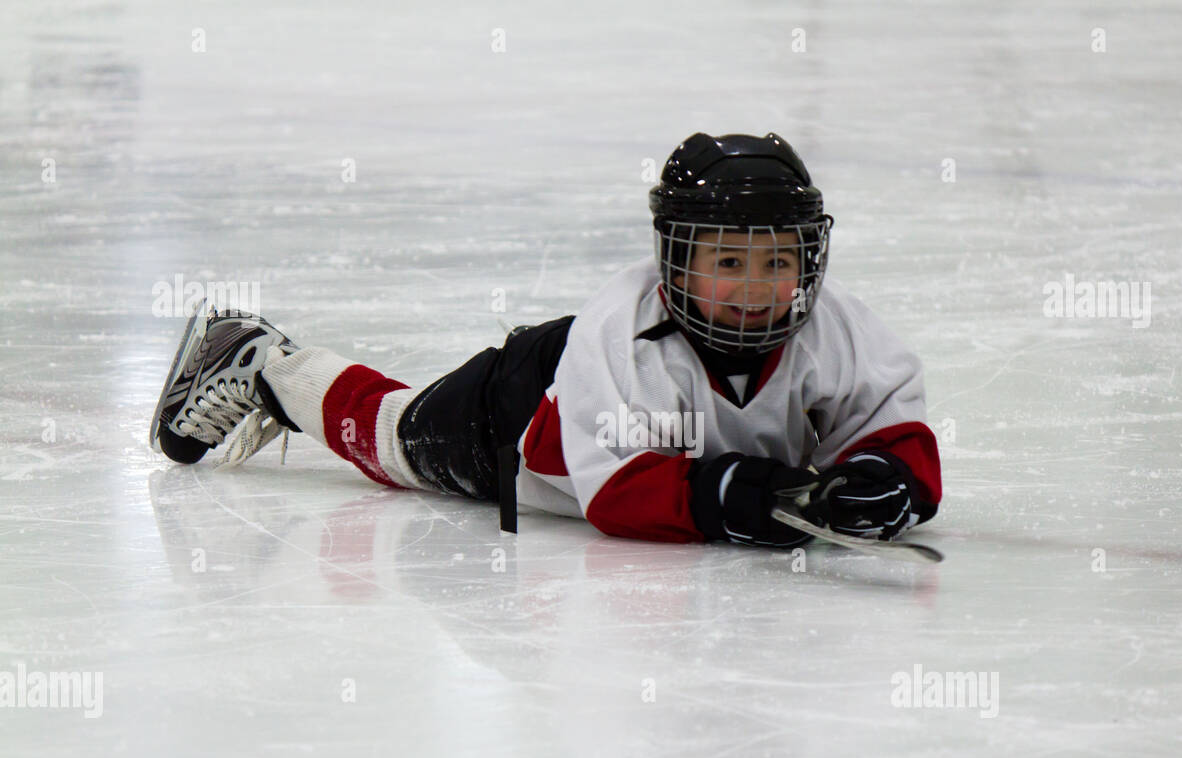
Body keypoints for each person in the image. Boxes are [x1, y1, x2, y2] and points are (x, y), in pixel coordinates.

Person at [149, 132, 942, 547]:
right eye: (728, 260)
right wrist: (740, 495)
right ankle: (262, 362)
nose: (756, 286)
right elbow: (619, 494)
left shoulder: (833, 328)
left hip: (584, 409)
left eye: (778, 262)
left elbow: (893, 425)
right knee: (394, 434)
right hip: (521, 411)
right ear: (675, 258)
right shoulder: (620, 332)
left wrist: (888, 479)